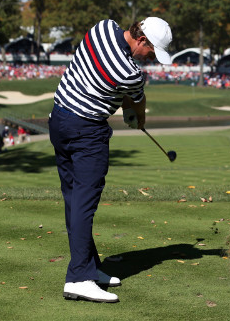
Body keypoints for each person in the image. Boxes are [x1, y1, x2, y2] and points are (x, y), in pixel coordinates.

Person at [49, 17, 173, 303]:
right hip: (86, 133)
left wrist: (126, 105)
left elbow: (109, 80)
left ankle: (89, 267)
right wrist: (138, 117)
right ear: (142, 41)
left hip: (59, 120)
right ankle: (79, 277)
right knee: (84, 204)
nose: (150, 59)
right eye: (152, 53)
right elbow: (136, 101)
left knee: (73, 199)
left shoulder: (102, 27)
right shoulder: (130, 73)